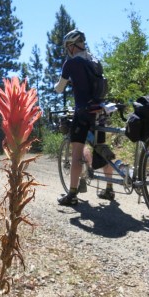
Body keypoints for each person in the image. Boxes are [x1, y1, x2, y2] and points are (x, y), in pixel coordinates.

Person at [54, 29, 115, 206]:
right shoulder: (95, 60)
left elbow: (59, 88)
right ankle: (109, 189)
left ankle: (72, 194)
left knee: (76, 154)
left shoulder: (71, 63)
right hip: (100, 110)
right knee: (101, 148)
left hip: (83, 112)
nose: (67, 50)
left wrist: (58, 85)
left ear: (72, 46)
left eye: (67, 47)